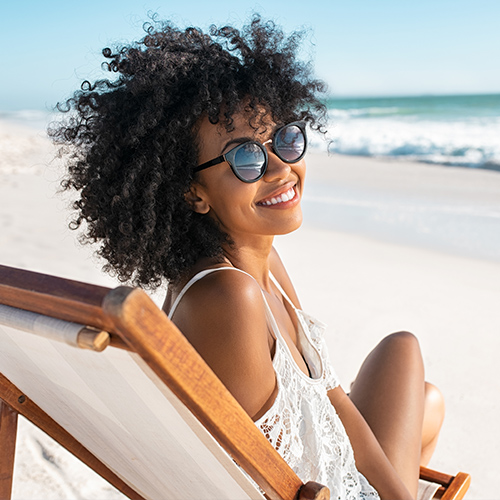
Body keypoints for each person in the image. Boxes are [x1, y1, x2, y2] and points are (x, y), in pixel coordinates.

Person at [50, 16, 445, 500]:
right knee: (415, 379)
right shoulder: (227, 294)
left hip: (325, 461)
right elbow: (265, 480)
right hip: (317, 492)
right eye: (245, 157)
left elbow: (330, 394)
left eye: (283, 139)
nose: (280, 168)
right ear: (194, 192)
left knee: (421, 390)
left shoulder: (260, 263)